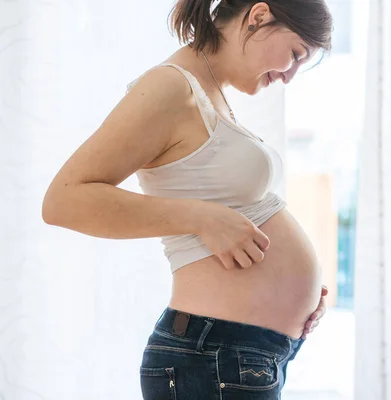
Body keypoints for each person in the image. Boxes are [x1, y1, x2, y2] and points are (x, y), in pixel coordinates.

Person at [42, 0, 333, 398]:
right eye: (296, 54)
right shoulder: (171, 87)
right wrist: (203, 219)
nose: (289, 75)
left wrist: (292, 300)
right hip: (212, 357)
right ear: (259, 16)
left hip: (242, 354)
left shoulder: (212, 94)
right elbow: (63, 200)